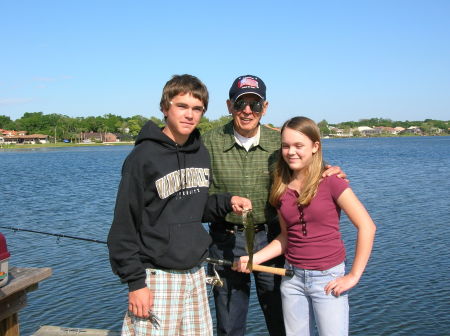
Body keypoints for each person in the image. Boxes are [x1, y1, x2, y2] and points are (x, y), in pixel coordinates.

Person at [107, 74, 252, 336]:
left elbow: (194, 207)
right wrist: (135, 283)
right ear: (165, 108)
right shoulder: (142, 158)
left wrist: (226, 202)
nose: (189, 115)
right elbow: (123, 226)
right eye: (182, 106)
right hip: (156, 277)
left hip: (195, 274)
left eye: (197, 109)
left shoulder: (200, 152)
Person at [202, 75, 346, 336]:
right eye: (240, 103)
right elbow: (197, 199)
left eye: (254, 105)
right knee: (229, 324)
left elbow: (307, 168)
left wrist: (329, 171)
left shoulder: (279, 143)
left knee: (282, 320)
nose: (247, 111)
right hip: (224, 242)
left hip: (272, 240)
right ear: (229, 106)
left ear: (264, 108)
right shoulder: (207, 143)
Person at [235, 116, 376, 336]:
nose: (291, 152)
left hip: (328, 280)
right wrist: (254, 259)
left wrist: (354, 275)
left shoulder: (331, 181)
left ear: (315, 147)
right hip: (292, 279)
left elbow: (367, 226)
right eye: (286, 146)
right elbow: (285, 237)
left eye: (299, 145)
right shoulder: (281, 188)